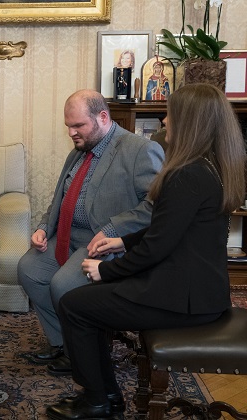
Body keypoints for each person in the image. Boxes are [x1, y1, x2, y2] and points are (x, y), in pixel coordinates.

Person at [47, 83, 245, 419]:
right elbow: (167, 231)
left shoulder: (187, 175)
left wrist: (105, 270)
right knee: (84, 303)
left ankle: (97, 400)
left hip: (185, 299)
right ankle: (106, 396)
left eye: (170, 114)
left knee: (75, 305)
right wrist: (123, 242)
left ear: (190, 123)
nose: (165, 121)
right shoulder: (209, 166)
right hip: (196, 289)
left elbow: (158, 246)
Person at [17, 89, 164, 375]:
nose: (72, 132)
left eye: (78, 126)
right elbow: (60, 197)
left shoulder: (139, 149)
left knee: (62, 285)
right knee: (29, 270)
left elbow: (156, 205)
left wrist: (113, 229)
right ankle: (63, 341)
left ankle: (81, 356)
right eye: (68, 127)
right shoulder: (79, 151)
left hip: (104, 245)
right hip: (66, 237)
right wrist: (43, 228)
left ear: (103, 117)